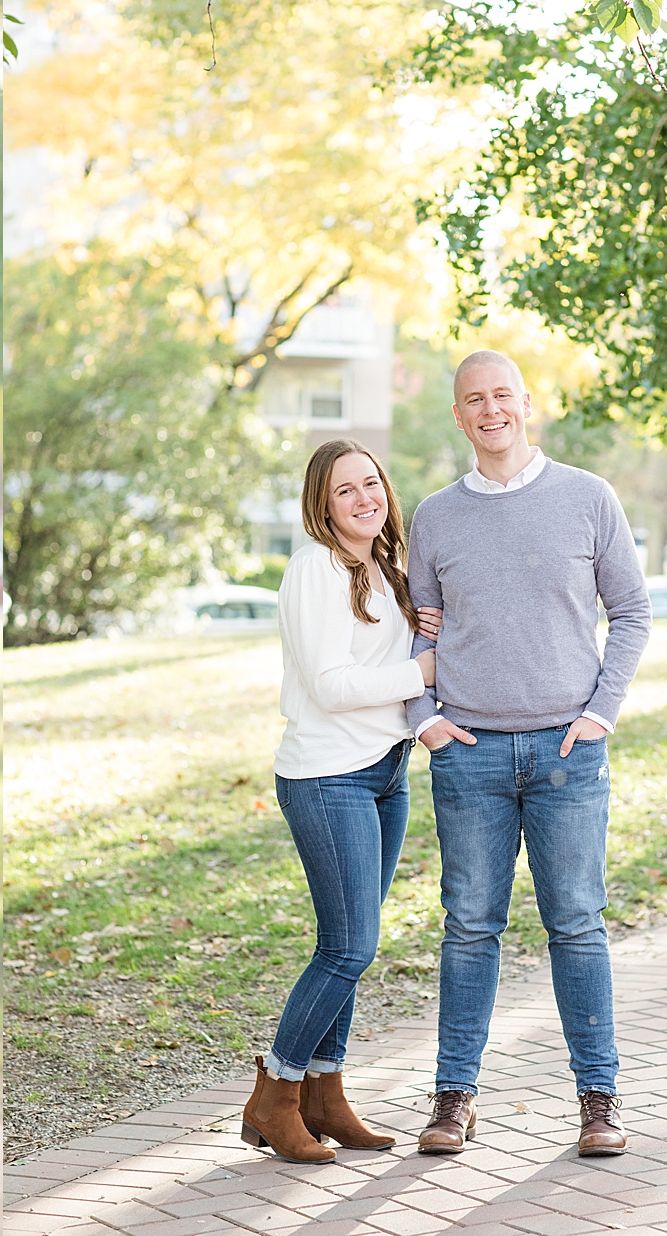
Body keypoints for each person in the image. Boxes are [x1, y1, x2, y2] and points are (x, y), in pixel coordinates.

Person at [406, 350, 650, 1159]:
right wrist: (424, 719)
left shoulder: (587, 497)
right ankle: (453, 1101)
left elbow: (633, 612)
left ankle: (599, 1100)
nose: (490, 410)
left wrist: (601, 713)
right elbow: (416, 630)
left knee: (576, 924)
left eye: (502, 395)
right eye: (474, 399)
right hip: (468, 753)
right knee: (468, 927)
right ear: (459, 415)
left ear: (526, 404)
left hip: (567, 753)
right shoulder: (435, 514)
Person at [240, 439, 440, 1164]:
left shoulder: (385, 570)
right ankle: (277, 1093)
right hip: (327, 777)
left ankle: (326, 1094)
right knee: (348, 945)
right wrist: (419, 669)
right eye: (344, 491)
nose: (364, 499)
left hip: (385, 773)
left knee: (350, 949)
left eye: (372, 484)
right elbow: (328, 684)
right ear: (322, 505)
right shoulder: (314, 568)